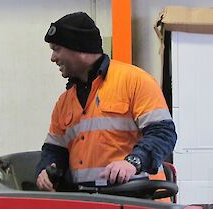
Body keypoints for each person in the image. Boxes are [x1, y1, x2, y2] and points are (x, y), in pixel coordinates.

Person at [36, 12, 177, 192]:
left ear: (79, 48)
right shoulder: (64, 101)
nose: (53, 58)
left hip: (129, 196)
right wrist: (45, 170)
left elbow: (163, 133)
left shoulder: (134, 81)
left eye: (56, 49)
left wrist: (132, 163)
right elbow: (54, 150)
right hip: (82, 199)